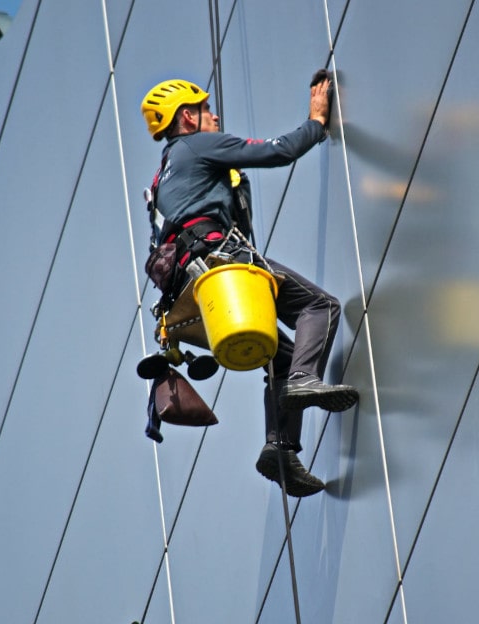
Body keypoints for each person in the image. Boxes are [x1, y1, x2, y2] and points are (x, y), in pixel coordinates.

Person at [140, 73, 358, 497]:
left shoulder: (163, 175)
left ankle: (280, 450)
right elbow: (279, 152)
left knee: (283, 354)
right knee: (321, 307)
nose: (214, 114)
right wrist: (316, 121)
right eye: (205, 109)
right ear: (187, 117)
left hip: (189, 293)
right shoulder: (196, 145)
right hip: (221, 264)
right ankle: (303, 381)